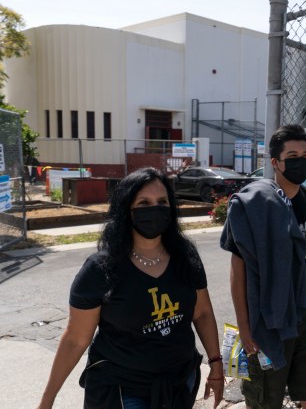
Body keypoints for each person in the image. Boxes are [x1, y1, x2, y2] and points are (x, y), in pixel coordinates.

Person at [37, 167, 224, 409]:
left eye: (162, 201)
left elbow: (202, 313)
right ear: (126, 210)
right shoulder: (100, 269)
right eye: (144, 202)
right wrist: (47, 400)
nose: (154, 208)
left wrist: (216, 365)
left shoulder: (185, 257)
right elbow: (75, 339)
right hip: (123, 390)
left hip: (180, 383)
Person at [221, 124, 306, 409]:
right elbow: (238, 270)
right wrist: (245, 329)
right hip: (270, 317)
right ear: (275, 162)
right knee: (265, 399)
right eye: (292, 155)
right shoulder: (254, 203)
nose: (301, 161)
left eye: (305, 155)